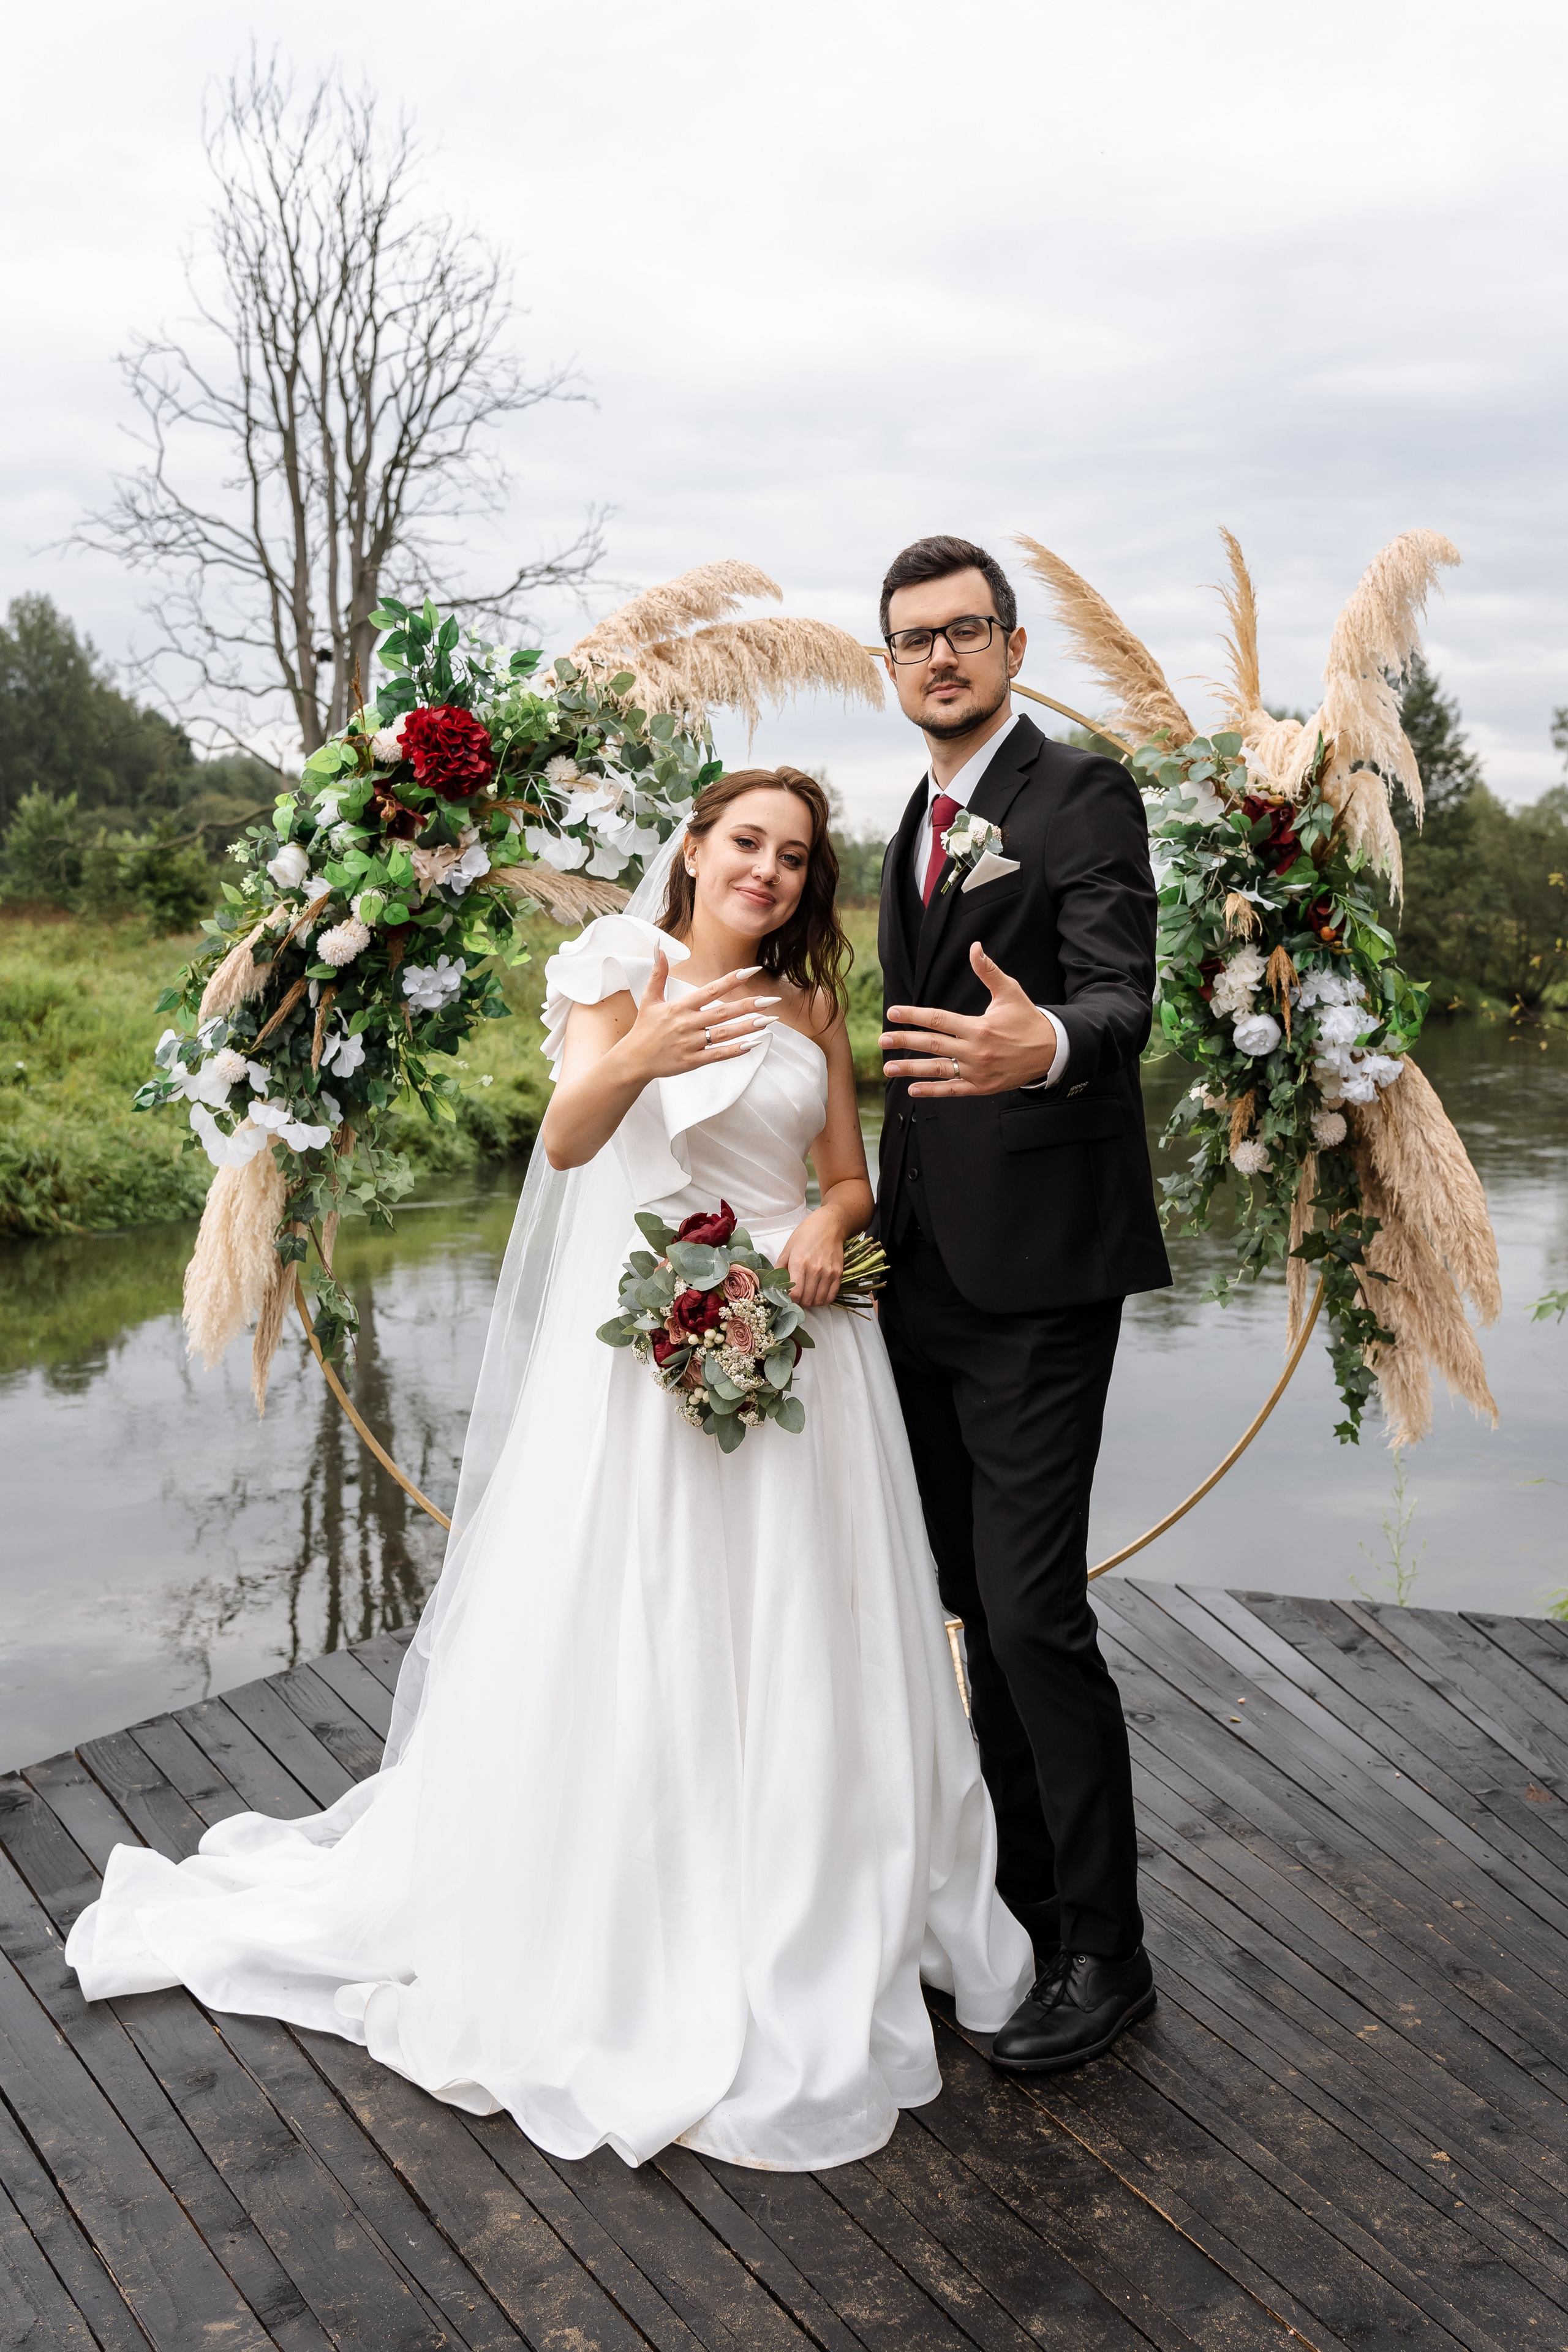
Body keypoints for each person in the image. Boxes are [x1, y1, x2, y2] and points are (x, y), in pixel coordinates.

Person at [67, 765, 1033, 2172]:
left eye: (793, 856)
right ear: (694, 852)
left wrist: (829, 1227)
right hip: (646, 1355)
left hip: (802, 1350)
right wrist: (647, 1042)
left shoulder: (811, 1009)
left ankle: (819, 1899)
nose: (766, 869)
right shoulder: (614, 965)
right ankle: (637, 1911)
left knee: (812, 1634)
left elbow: (842, 1178)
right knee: (645, 1624)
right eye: (744, 843)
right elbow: (572, 1135)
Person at [874, 535, 1172, 2072]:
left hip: (1043, 1278)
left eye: (964, 632)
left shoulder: (1078, 796)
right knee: (972, 1610)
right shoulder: (904, 832)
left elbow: (1126, 993)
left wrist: (1044, 1040)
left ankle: (1107, 1955)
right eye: (912, 639)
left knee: (1036, 1615)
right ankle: (1019, 1903)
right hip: (915, 1279)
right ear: (891, 663)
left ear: (1008, 643)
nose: (939, 657)